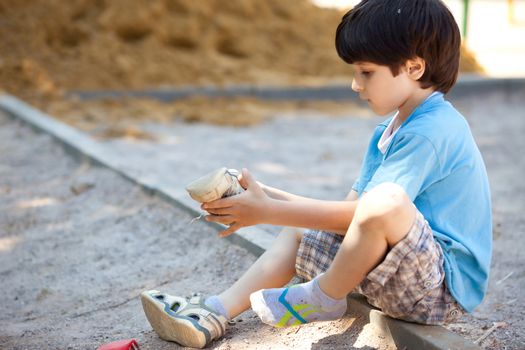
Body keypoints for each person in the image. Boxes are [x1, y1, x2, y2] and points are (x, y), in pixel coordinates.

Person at [140, 0, 492, 348]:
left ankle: (323, 296)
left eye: (366, 72)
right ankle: (212, 313)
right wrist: (261, 196)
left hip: (438, 289)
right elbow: (349, 217)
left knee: (387, 201)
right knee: (305, 225)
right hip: (399, 276)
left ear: (414, 68)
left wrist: (268, 211)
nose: (356, 85)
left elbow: (373, 211)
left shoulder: (432, 130)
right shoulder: (390, 129)